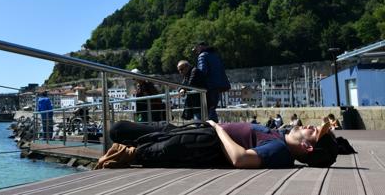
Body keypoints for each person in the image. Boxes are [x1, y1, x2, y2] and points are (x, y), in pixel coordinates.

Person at [95, 120, 339, 169]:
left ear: (308, 147)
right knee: (119, 129)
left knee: (122, 135)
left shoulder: (279, 150)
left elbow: (240, 159)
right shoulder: (280, 138)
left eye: (313, 131)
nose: (308, 126)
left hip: (201, 141)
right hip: (198, 131)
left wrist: (219, 129)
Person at [193, 42, 230, 122]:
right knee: (212, 109)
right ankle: (215, 130)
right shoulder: (215, 55)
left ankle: (201, 130)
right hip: (218, 87)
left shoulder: (202, 56)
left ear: (200, 47)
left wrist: (195, 81)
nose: (196, 51)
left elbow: (202, 72)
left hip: (208, 87)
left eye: (196, 49)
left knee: (201, 111)